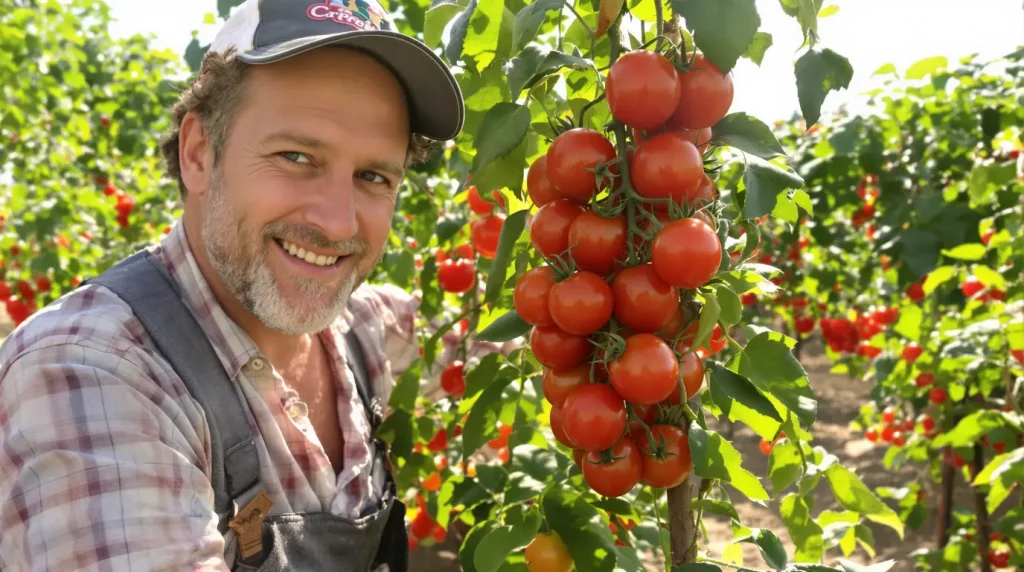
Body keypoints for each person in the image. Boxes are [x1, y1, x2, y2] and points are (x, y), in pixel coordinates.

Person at [0, 0, 502, 569]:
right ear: (198, 154)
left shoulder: (362, 335)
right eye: (296, 156)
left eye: (372, 176)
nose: (338, 222)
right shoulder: (91, 372)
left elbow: (515, 344)